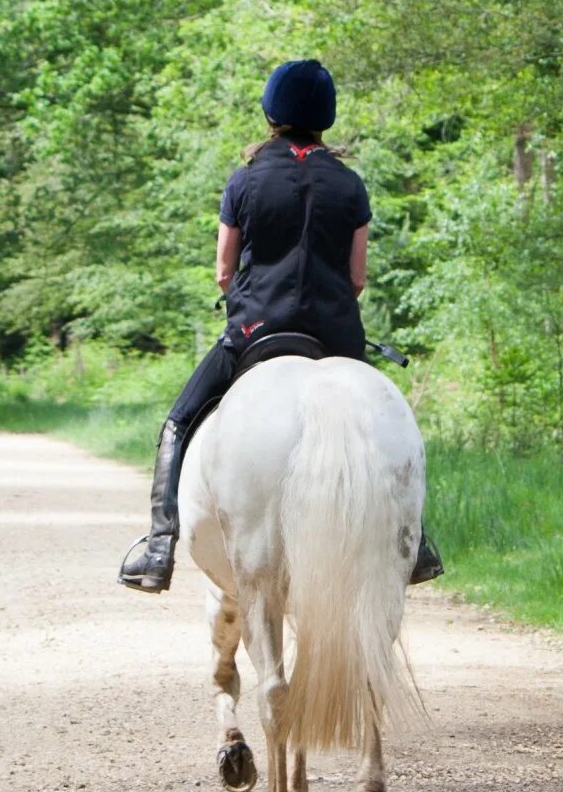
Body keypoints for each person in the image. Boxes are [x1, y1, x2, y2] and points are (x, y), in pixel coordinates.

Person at [118, 59, 446, 593]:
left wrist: (248, 303)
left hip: (255, 332)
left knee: (179, 421)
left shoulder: (244, 179)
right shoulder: (350, 184)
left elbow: (225, 270)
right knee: (381, 422)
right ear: (327, 119)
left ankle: (158, 545)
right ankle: (416, 543)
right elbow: (357, 277)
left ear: (270, 113)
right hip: (336, 337)